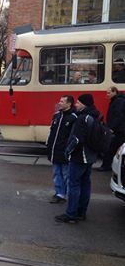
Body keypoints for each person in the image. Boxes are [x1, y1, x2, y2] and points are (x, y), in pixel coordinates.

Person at [55, 94, 99, 223]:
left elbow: (76, 139)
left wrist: (68, 152)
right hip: (90, 156)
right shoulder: (94, 116)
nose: (76, 104)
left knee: (74, 184)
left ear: (84, 104)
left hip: (79, 157)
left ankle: (71, 214)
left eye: (79, 102)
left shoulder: (82, 118)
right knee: (85, 184)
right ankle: (81, 212)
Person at [46, 95, 77, 203]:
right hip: (55, 150)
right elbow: (51, 132)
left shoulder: (73, 117)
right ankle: (59, 193)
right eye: (60, 101)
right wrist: (49, 146)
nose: (60, 103)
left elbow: (73, 137)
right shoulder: (56, 116)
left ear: (69, 104)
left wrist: (68, 150)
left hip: (64, 152)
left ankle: (68, 195)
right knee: (56, 173)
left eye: (62, 101)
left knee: (66, 174)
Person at [97, 87, 125, 171]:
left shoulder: (118, 101)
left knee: (110, 147)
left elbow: (118, 116)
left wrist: (112, 128)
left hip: (119, 130)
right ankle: (108, 165)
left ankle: (106, 166)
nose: (107, 95)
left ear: (115, 92)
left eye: (109, 93)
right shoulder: (117, 100)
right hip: (120, 129)